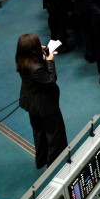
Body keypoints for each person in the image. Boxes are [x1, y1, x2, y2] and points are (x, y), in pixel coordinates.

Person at [15, 33, 68, 169]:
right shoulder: (36, 68)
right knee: (55, 136)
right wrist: (50, 61)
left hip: (32, 104)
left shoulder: (22, 60)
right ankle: (54, 167)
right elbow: (51, 80)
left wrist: (42, 54)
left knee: (39, 134)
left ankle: (41, 160)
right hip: (45, 105)